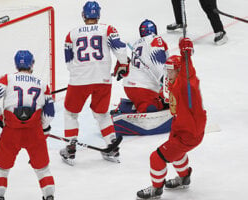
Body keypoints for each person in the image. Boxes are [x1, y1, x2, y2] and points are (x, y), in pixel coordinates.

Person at [136, 38, 207, 199]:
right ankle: (184, 178)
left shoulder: (187, 83)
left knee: (156, 157)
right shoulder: (174, 82)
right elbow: (168, 94)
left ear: (180, 70)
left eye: (172, 70)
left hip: (189, 132)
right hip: (181, 128)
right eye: (167, 70)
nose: (168, 73)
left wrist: (186, 55)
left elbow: (188, 74)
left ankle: (156, 189)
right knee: (177, 154)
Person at [60, 1, 129, 165]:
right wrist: (124, 64)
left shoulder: (72, 34)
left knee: (70, 113)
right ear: (98, 15)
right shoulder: (108, 29)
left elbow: (69, 61)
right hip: (103, 80)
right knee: (102, 114)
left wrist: (79, 74)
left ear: (83, 15)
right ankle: (112, 146)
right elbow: (120, 49)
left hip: (79, 80)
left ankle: (70, 148)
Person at [0, 50, 55, 200]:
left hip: (11, 132)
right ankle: (49, 196)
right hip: (34, 133)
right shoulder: (42, 85)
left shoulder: (7, 79)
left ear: (16, 64)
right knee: (43, 169)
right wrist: (44, 128)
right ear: (32, 64)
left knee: (2, 168)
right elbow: (49, 114)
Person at [122, 19, 169, 113]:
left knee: (162, 101)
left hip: (129, 86)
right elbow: (160, 65)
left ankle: (129, 106)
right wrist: (168, 85)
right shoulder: (156, 39)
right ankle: (140, 107)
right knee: (154, 108)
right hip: (143, 89)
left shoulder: (136, 43)